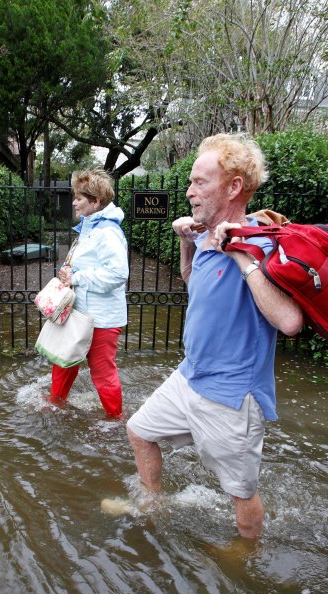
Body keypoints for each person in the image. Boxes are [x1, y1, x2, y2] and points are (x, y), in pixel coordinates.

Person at [123, 133, 304, 539]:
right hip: (190, 377)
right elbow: (195, 284)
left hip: (232, 394)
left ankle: (246, 559)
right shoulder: (207, 235)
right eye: (190, 182)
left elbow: (290, 321)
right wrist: (188, 245)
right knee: (139, 430)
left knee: (242, 494)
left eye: (199, 182)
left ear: (234, 186)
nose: (189, 192)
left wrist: (241, 254)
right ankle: (154, 506)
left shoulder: (264, 242)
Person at [49, 169, 129, 419]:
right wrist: (70, 270)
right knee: (64, 359)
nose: (74, 202)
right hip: (82, 312)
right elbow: (91, 263)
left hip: (102, 318)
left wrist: (78, 278)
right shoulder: (90, 227)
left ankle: (114, 421)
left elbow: (118, 274)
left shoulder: (107, 231)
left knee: (102, 372)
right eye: (75, 196)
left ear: (95, 201)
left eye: (79, 198)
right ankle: (54, 404)